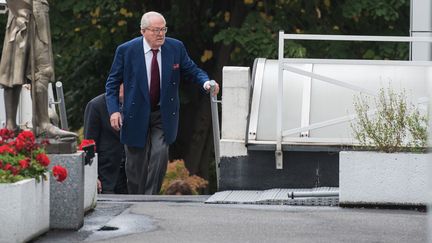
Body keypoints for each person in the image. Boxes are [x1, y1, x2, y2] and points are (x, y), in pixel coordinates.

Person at [105, 11, 220, 195]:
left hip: (163, 113)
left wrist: (206, 82)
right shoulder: (126, 50)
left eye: (163, 29)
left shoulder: (175, 48)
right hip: (135, 113)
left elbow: (191, 69)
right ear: (143, 31)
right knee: (135, 166)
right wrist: (113, 111)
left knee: (160, 154)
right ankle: (137, 198)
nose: (160, 34)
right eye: (155, 30)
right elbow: (111, 83)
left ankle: (150, 198)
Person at [0, 0, 76, 138]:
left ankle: (43, 124)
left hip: (40, 12)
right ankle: (11, 127)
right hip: (20, 10)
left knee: (44, 69)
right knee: (13, 68)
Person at [84, 84, 128, 194]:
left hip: (131, 177)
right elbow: (89, 143)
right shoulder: (96, 105)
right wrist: (92, 175)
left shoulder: (137, 104)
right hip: (106, 177)